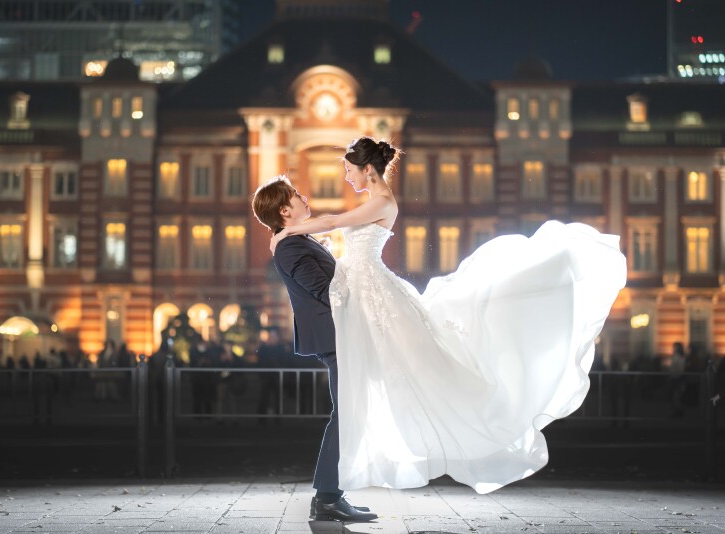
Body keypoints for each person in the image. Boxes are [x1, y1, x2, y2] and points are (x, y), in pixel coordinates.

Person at [268, 136, 627, 494]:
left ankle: (334, 493)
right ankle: (334, 492)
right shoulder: (373, 201)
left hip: (371, 291)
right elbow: (336, 238)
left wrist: (286, 231)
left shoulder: (381, 201)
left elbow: (334, 220)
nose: (347, 178)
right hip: (364, 291)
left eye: (349, 171)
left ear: (366, 169)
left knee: (396, 379)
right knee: (369, 394)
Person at [252, 176, 377, 522]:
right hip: (336, 337)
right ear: (284, 210)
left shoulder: (295, 241)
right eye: (296, 196)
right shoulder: (291, 247)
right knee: (346, 415)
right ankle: (327, 498)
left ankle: (330, 496)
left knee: (348, 413)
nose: (305, 197)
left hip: (338, 335)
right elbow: (326, 291)